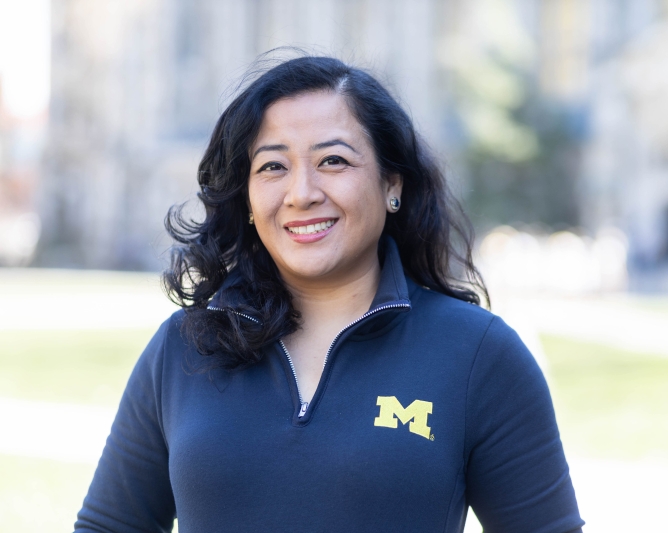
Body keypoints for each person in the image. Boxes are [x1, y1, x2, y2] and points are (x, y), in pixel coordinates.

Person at [75, 55, 584, 533]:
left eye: (334, 161)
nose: (301, 192)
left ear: (393, 183)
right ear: (247, 197)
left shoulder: (479, 355)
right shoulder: (183, 347)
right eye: (272, 166)